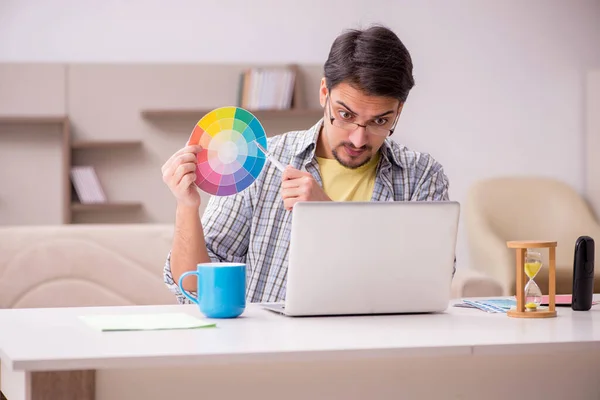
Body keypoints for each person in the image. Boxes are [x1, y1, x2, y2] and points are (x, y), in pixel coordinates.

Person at [161, 24, 451, 304]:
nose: (359, 139)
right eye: (346, 115)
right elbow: (195, 285)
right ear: (324, 92)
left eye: (380, 121)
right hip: (272, 348)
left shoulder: (422, 176)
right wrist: (187, 206)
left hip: (375, 347)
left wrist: (328, 217)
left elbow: (429, 283)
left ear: (399, 110)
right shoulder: (261, 160)